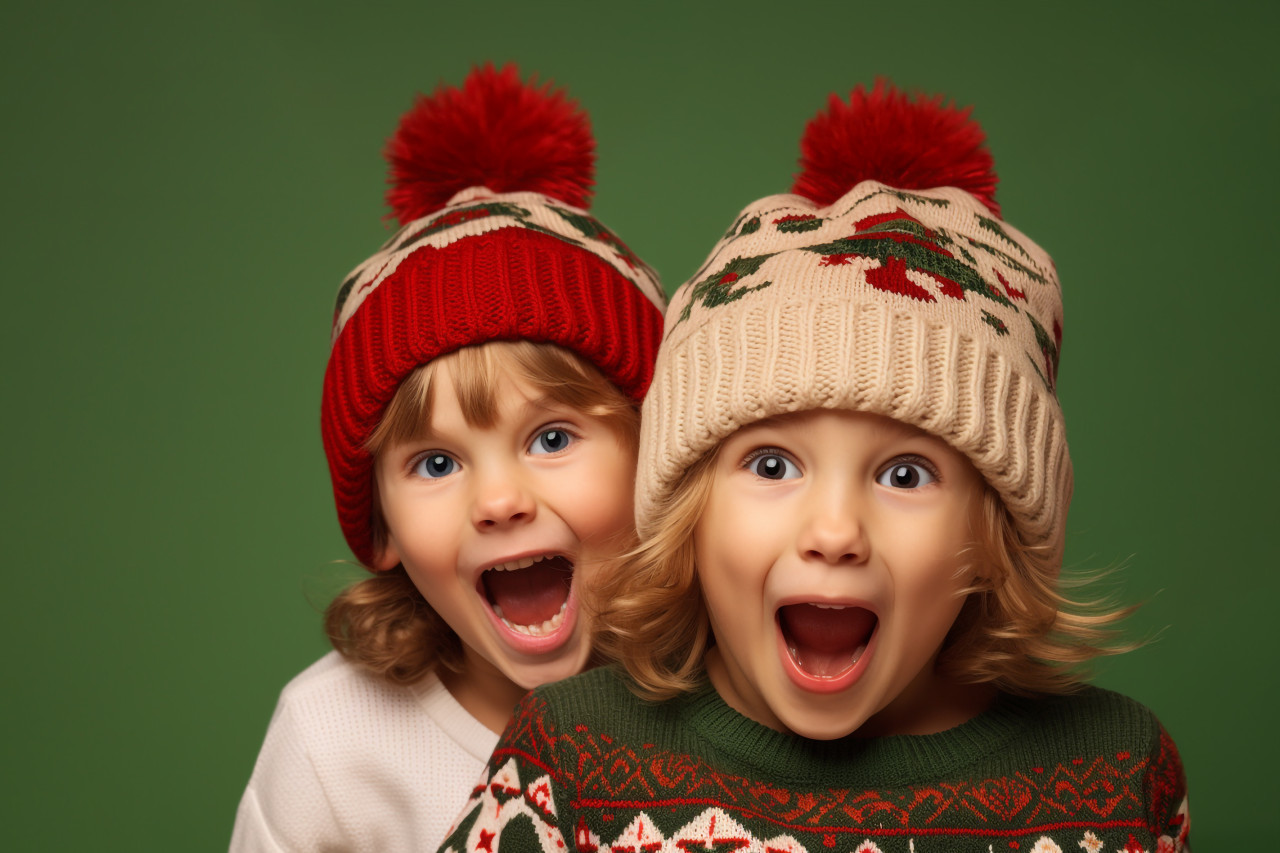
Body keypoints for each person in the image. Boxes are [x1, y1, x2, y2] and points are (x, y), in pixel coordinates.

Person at [438, 81, 1189, 853]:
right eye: (771, 464)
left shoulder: (1114, 774)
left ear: (995, 531)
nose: (834, 532)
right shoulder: (575, 757)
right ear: (685, 513)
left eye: (906, 475)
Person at [229, 64, 665, 852]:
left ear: (657, 458)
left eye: (552, 438)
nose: (499, 500)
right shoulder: (331, 742)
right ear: (383, 524)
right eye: (435, 463)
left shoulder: (741, 700)